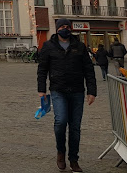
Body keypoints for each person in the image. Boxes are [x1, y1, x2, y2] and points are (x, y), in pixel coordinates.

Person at [37, 18, 96, 172]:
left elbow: (88, 70)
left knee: (75, 127)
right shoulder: (48, 46)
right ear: (57, 29)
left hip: (77, 91)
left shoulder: (80, 46)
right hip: (58, 90)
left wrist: (92, 91)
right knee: (61, 122)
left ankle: (74, 159)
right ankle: (61, 152)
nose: (65, 29)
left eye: (67, 26)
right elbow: (42, 69)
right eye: (62, 26)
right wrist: (41, 90)